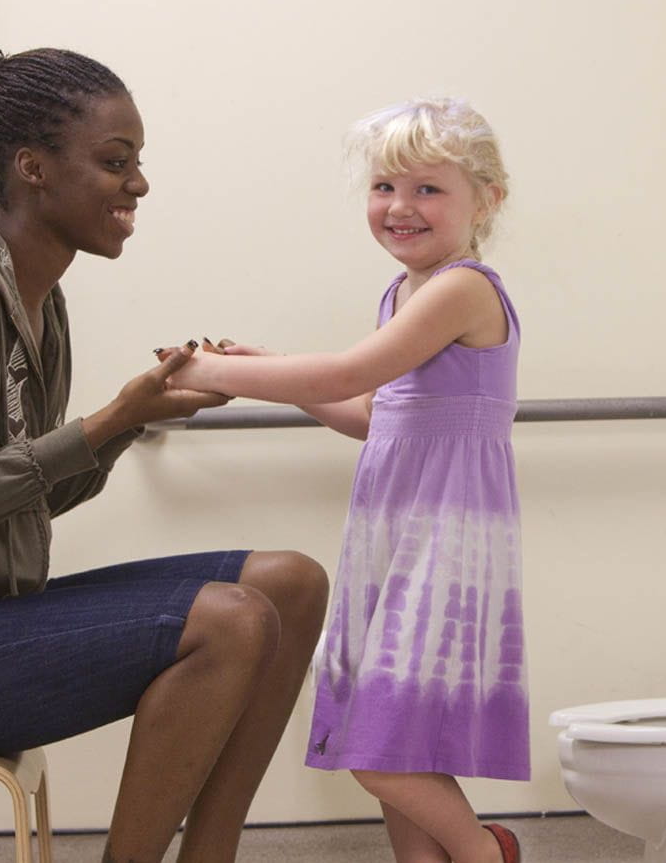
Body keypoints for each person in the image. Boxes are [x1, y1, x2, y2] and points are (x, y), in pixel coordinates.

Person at [0, 21, 328, 863]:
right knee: (228, 621)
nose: (140, 183)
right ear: (33, 168)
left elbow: (35, 495)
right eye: (116, 160)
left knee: (292, 584)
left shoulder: (37, 294)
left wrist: (141, 418)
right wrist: (113, 418)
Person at [166, 98, 528, 863]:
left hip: (444, 532)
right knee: (400, 736)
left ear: (485, 199)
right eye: (383, 187)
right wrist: (274, 371)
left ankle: (484, 851)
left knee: (378, 744)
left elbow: (349, 370)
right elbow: (369, 409)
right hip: (394, 531)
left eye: (427, 188)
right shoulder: (405, 292)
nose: (399, 206)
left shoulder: (462, 289)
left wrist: (210, 369)